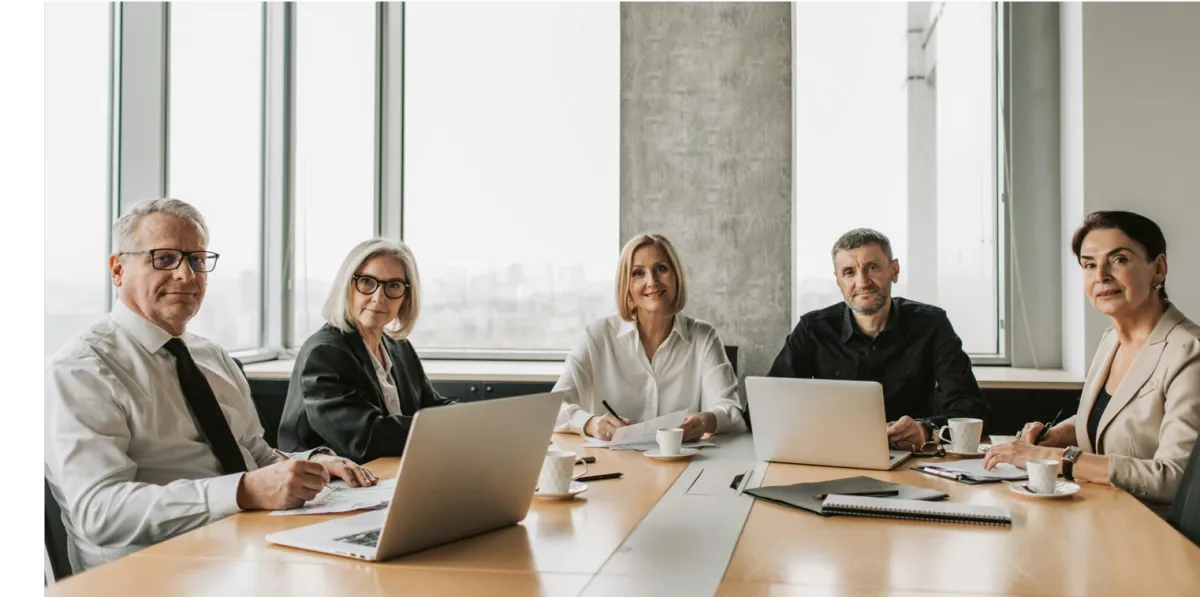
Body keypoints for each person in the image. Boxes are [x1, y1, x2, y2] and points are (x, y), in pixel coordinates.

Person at [45, 198, 374, 573]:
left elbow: (254, 452)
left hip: (247, 553)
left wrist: (310, 465)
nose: (187, 275)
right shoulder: (82, 369)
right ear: (118, 269)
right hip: (151, 575)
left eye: (197, 260)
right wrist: (243, 492)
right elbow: (97, 511)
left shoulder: (211, 357)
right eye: (165, 258)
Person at [985, 211, 1198, 512]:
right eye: (1089, 264)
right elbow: (1113, 419)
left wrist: (1054, 459)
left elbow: (1174, 478)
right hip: (1099, 511)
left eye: (1119, 260)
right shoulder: (1111, 338)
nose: (1101, 276)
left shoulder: (1189, 352)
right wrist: (1056, 436)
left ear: (1159, 268)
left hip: (1154, 535)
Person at [767, 228, 990, 450]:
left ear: (894, 270)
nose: (862, 282)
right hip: (834, 455)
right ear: (838, 280)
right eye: (849, 272)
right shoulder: (812, 330)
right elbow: (771, 404)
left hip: (913, 459)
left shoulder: (932, 325)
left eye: (872, 267)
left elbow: (972, 411)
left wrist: (926, 429)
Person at [553, 233, 746, 442]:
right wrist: (591, 424)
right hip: (611, 467)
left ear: (676, 276)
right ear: (626, 285)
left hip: (682, 465)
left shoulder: (703, 337)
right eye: (638, 273)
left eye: (661, 268)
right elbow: (554, 409)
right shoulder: (596, 336)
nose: (652, 281)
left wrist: (705, 421)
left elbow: (732, 412)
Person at [278, 238, 456, 464]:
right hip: (332, 485)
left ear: (405, 297)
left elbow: (431, 405)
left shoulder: (399, 348)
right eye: (367, 282)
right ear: (347, 286)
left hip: (390, 472)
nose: (378, 297)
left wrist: (471, 419)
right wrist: (445, 427)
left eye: (393, 286)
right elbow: (366, 437)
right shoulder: (324, 352)